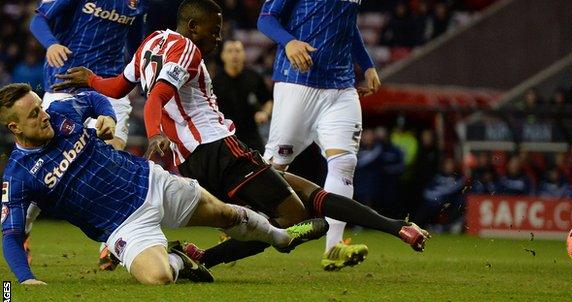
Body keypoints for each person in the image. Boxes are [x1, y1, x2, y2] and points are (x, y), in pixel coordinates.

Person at [53, 0, 429, 271]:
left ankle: (398, 228)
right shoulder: (187, 50)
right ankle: (201, 258)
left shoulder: (151, 42)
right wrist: (153, 135)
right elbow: (157, 100)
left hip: (191, 162)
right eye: (214, 31)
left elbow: (118, 87)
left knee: (304, 191)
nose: (217, 39)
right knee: (299, 218)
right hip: (221, 149)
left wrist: (90, 80)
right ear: (193, 27)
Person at [0, 83, 328, 285]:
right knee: (158, 278)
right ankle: (180, 261)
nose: (43, 115)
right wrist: (26, 279)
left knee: (226, 215)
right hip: (122, 226)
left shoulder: (60, 113)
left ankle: (281, 237)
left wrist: (109, 117)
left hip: (150, 181)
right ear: (14, 127)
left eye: (40, 106)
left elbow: (94, 100)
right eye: (33, 115)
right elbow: (12, 233)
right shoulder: (17, 176)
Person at [257, 0, 381, 270]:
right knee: (274, 167)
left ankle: (334, 247)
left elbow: (347, 25)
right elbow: (266, 18)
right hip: (297, 82)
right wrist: (289, 42)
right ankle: (240, 219)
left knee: (344, 163)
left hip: (341, 86)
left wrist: (366, 64)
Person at [28, 0, 148, 269]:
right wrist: (52, 44)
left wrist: (139, 79)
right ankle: (20, 230)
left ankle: (112, 243)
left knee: (113, 163)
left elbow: (137, 46)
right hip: (66, 82)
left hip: (107, 86)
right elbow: (38, 19)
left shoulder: (139, 4)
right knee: (50, 166)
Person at [212, 40, 272, 153]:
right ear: (222, 55)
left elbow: (268, 100)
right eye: (230, 51)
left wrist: (264, 113)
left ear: (244, 54)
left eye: (238, 51)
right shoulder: (214, 82)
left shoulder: (254, 77)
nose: (234, 55)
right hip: (225, 136)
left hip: (251, 135)